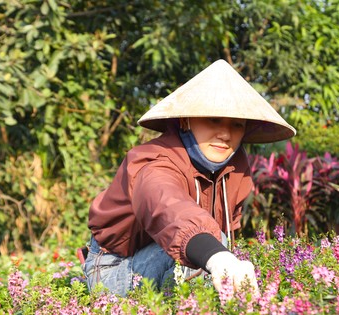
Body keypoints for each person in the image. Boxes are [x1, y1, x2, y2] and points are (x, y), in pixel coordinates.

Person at [82, 59, 296, 297]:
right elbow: (168, 207)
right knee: (207, 250)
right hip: (117, 266)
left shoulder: (235, 168)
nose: (225, 134)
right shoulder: (153, 163)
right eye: (213, 119)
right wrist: (216, 256)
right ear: (186, 120)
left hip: (172, 254)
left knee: (218, 251)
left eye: (237, 125)